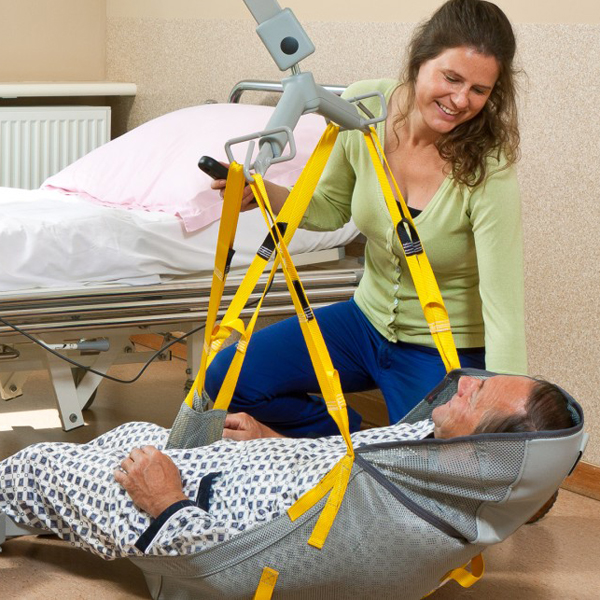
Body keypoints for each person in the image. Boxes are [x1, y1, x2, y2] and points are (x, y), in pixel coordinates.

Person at [206, 0, 527, 438]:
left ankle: (364, 454)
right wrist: (263, 193)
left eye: (479, 90)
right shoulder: (361, 108)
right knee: (224, 377)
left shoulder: (489, 165)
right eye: (451, 78)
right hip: (364, 323)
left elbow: (503, 309)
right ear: (420, 60)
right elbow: (331, 207)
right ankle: (339, 443)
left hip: (442, 347)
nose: (460, 100)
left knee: (431, 461)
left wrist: (504, 414)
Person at [0, 375, 572, 560]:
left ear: (483, 451)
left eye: (477, 396)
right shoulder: (428, 449)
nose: (465, 381)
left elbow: (244, 562)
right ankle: (42, 515)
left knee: (40, 464)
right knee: (129, 434)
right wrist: (274, 443)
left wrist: (167, 501)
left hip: (195, 519)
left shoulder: (401, 518)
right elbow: (343, 467)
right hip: (231, 470)